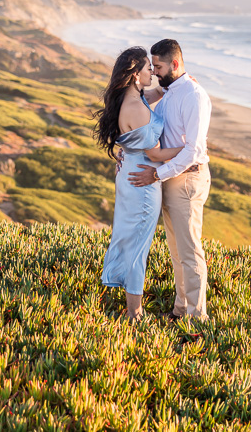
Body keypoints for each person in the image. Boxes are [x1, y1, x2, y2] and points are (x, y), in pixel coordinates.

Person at [128, 39, 212, 321]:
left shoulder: (193, 95)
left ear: (175, 64)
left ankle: (197, 318)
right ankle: (180, 310)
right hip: (168, 178)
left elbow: (195, 150)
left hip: (187, 179)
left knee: (190, 252)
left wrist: (156, 173)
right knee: (177, 252)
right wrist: (126, 151)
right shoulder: (167, 90)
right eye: (152, 67)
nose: (155, 72)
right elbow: (135, 103)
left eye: (159, 67)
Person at [94, 46, 166, 321]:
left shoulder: (131, 98)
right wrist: (190, 151)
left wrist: (180, 83)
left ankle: (128, 300)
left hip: (130, 177)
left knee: (129, 239)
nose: (153, 73)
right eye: (149, 69)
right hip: (142, 182)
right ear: (136, 75)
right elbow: (155, 154)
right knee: (138, 245)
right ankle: (133, 312)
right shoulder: (135, 106)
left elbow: (158, 94)